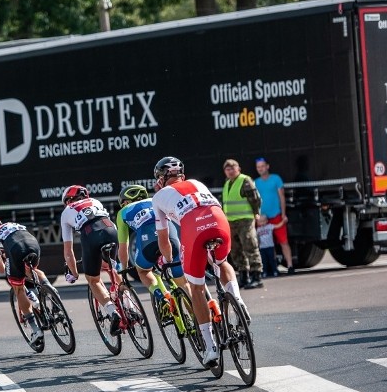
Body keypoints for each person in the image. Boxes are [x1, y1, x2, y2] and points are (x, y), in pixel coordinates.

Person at [151, 156, 250, 367]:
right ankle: (238, 300)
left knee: (196, 288)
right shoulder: (197, 183)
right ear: (182, 175)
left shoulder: (159, 197)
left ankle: (210, 347)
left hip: (193, 228)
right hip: (218, 219)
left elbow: (164, 238)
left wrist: (168, 261)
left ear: (161, 178)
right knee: (221, 262)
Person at [115, 184, 188, 313]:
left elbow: (123, 247)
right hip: (170, 238)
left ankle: (161, 296)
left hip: (147, 243)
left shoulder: (122, 212)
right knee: (184, 286)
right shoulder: (155, 200)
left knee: (143, 271)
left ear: (125, 201)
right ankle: (200, 324)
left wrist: (124, 270)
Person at [59, 185, 121, 335]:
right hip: (110, 229)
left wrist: (74, 273)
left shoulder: (66, 211)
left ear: (68, 199)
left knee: (93, 280)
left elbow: (69, 251)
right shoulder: (95, 201)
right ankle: (130, 306)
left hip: (90, 234)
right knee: (112, 268)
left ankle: (113, 312)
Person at [0, 217, 45, 345]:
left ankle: (36, 330)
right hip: (32, 242)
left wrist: (5, 268)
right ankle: (50, 291)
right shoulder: (11, 225)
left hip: (16, 248)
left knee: (17, 286)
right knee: (30, 270)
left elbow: (0, 269)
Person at [222, 158, 263, 289]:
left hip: (245, 219)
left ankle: (257, 276)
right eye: (227, 169)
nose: (230, 171)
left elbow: (255, 198)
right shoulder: (227, 183)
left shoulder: (245, 180)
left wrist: (256, 213)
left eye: (232, 168)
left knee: (250, 246)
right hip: (231, 221)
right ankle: (244, 276)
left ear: (238, 169)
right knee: (235, 250)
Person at [255, 157, 294, 274]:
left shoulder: (276, 179)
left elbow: (282, 196)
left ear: (267, 166)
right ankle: (272, 268)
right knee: (266, 244)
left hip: (276, 215)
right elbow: (254, 201)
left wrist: (283, 214)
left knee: (283, 241)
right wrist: (256, 217)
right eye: (258, 167)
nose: (261, 169)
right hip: (262, 218)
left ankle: (290, 266)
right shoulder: (255, 182)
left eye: (262, 166)